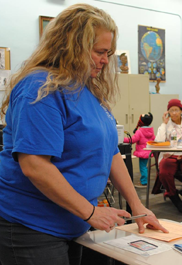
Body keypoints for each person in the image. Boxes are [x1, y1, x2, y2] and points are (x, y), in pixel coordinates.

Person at [0, 4, 167, 265]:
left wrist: (137, 205)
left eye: (109, 53)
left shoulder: (84, 90)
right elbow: (34, 165)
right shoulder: (40, 89)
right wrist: (90, 212)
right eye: (100, 52)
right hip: (32, 225)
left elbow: (110, 152)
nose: (105, 60)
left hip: (73, 221)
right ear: (71, 46)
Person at [124, 112, 155, 187]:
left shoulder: (140, 131)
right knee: (145, 167)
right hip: (149, 151)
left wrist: (122, 139)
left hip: (142, 152)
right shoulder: (151, 130)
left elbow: (133, 140)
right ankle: (145, 180)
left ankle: (144, 182)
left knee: (143, 167)